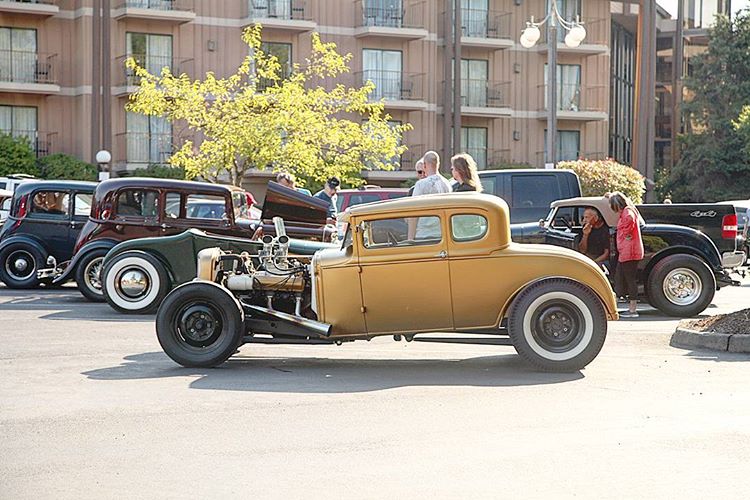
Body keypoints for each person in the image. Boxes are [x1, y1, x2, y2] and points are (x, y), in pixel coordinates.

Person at [609, 192, 644, 318]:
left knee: (629, 279)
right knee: (620, 277)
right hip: (627, 251)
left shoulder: (627, 212)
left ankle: (633, 309)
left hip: (630, 251)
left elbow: (629, 220)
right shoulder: (629, 210)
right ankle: (624, 305)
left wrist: (624, 232)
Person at [408, 151, 451, 240]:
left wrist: (410, 239)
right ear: (438, 164)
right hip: (442, 234)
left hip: (424, 234)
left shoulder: (420, 184)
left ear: (424, 165)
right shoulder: (447, 184)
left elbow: (413, 213)